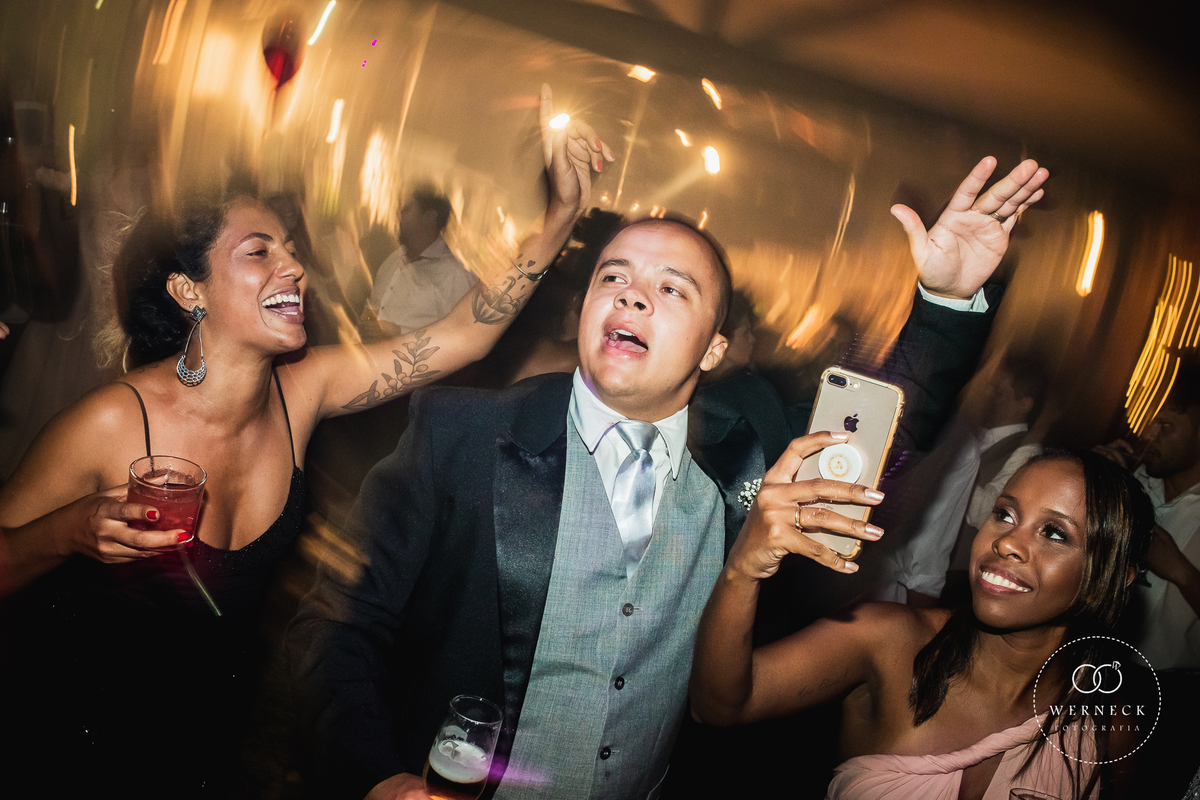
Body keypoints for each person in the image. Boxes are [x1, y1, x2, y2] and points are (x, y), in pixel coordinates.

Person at [287, 156, 1049, 800]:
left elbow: (889, 420)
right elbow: (338, 626)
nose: (632, 293)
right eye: (613, 277)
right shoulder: (461, 435)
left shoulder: (754, 447)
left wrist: (947, 301)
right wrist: (376, 774)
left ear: (715, 349)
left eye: (673, 288)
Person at [0, 86, 611, 798]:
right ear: (189, 291)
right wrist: (71, 531)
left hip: (203, 746)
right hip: (71, 739)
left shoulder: (304, 389)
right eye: (259, 251)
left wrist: (559, 215)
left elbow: (462, 336)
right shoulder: (112, 423)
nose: (292, 266)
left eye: (290, 250)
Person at [691, 448, 1154, 799]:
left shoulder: (1108, 729)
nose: (1007, 542)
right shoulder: (888, 640)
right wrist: (743, 568)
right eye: (1005, 514)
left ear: (1115, 576)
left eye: (1054, 533)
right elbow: (720, 706)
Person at [886, 352, 1047, 607]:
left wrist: (950, 468)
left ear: (1024, 403)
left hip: (957, 579)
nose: (989, 395)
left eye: (999, 391)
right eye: (990, 387)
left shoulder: (1026, 452)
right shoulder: (967, 436)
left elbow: (985, 512)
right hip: (909, 570)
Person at [1095, 361, 1200, 668]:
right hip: (1092, 661)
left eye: (1165, 426)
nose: (1149, 434)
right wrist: (1098, 483)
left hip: (1170, 686)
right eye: (1150, 422)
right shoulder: (1132, 480)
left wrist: (1181, 571)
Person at [361, 185, 477, 337]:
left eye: (407, 210)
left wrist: (397, 332)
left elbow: (465, 334)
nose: (398, 214)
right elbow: (374, 305)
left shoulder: (455, 275)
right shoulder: (394, 259)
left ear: (429, 218)